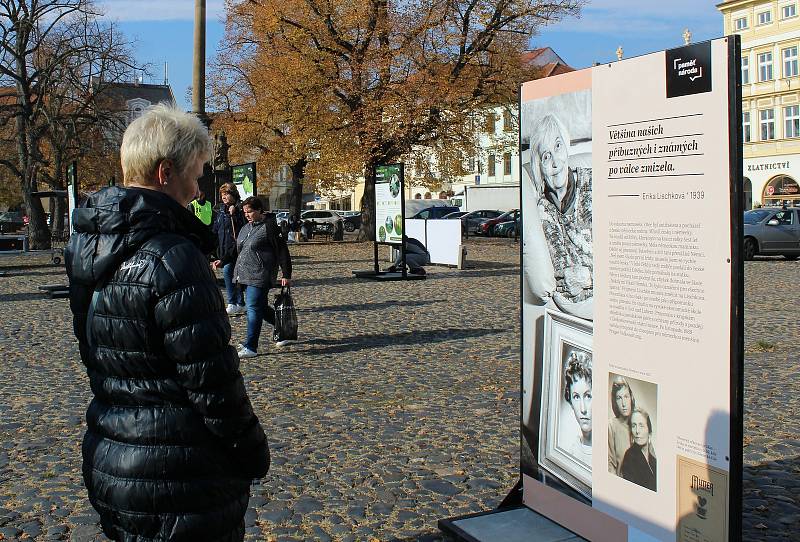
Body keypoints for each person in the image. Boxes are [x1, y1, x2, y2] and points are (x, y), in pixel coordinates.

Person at [65, 104, 269, 541]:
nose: (199, 190)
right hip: (179, 471)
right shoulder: (174, 257)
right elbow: (213, 382)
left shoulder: (86, 247)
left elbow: (93, 354)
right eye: (195, 175)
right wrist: (252, 451)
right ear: (165, 173)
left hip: (112, 454)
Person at [523, 113, 593, 320]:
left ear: (567, 147)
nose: (555, 162)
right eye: (546, 156)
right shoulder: (543, 208)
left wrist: (589, 277)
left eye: (558, 147)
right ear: (538, 165)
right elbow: (561, 273)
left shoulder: (591, 185)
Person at [234, 196, 292, 358]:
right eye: (245, 212)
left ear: (260, 210)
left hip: (261, 274)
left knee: (252, 307)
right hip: (244, 274)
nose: (247, 215)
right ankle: (284, 330)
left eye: (250, 211)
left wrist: (286, 274)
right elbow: (238, 248)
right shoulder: (246, 227)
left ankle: (251, 346)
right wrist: (223, 260)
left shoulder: (270, 227)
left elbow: (282, 251)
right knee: (260, 307)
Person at [212, 183, 246, 315]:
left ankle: (232, 302)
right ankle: (240, 303)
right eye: (222, 195)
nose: (224, 197)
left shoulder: (240, 209)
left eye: (226, 194)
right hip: (223, 249)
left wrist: (235, 214)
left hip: (235, 249)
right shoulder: (220, 210)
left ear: (233, 195)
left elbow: (243, 228)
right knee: (233, 276)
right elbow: (216, 229)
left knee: (228, 272)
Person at [563, 349, 592, 467]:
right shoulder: (571, 452)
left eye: (588, 396)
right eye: (576, 397)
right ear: (570, 401)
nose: (582, 408)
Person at [621, 408, 657, 492]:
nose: (637, 431)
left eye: (641, 425)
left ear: (649, 431)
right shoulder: (629, 457)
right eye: (634, 426)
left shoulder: (654, 460)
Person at [608, 376, 635, 475]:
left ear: (631, 398)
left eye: (626, 397)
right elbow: (610, 465)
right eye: (619, 398)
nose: (624, 403)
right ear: (615, 401)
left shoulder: (638, 423)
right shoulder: (611, 425)